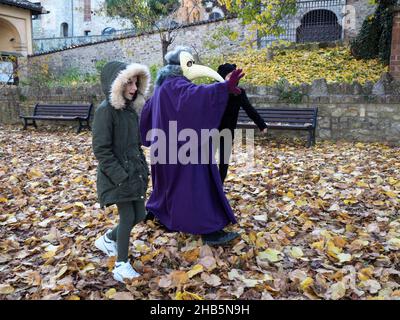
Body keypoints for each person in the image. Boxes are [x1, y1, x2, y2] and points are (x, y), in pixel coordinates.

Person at [140, 46, 244, 246]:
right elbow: (196, 96)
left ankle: (157, 212)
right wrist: (223, 87)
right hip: (184, 150)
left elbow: (147, 112)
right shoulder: (176, 85)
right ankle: (209, 230)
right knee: (197, 185)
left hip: (163, 149)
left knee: (166, 185)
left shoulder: (161, 87)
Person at [92, 61, 151, 283]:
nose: (134, 88)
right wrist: (120, 176)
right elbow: (102, 150)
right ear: (116, 85)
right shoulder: (105, 111)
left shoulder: (130, 111)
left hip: (133, 173)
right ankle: (121, 265)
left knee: (140, 215)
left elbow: (135, 145)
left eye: (136, 83)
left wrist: (141, 169)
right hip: (116, 176)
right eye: (129, 83)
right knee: (127, 217)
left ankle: (108, 239)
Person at [217, 63, 268, 183]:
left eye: (233, 76)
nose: (231, 79)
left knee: (224, 162)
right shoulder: (214, 90)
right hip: (211, 130)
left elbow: (249, 109)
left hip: (227, 131)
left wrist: (261, 125)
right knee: (207, 161)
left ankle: (219, 185)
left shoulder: (239, 92)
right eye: (229, 76)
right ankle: (208, 186)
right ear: (222, 76)